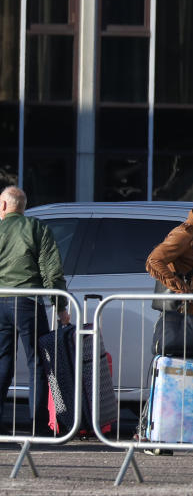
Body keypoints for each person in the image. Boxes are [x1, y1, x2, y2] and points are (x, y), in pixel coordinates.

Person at [0, 186, 70, 435]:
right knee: (38, 364)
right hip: (29, 302)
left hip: (0, 302)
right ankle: (37, 426)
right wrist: (60, 305)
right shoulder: (37, 228)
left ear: (4, 206)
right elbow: (51, 270)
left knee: (2, 362)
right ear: (23, 206)